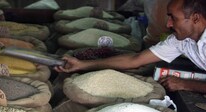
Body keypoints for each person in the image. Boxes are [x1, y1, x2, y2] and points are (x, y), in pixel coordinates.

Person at [54, 0, 206, 94]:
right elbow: (135, 60)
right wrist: (82, 64)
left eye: (173, 17)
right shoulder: (181, 41)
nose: (168, 24)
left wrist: (185, 84)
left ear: (195, 18)